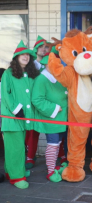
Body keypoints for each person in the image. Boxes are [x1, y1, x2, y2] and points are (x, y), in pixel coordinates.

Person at [1, 41, 39, 189]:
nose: (25, 57)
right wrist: (17, 110)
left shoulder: (30, 74)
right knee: (15, 148)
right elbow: (6, 95)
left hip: (23, 119)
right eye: (22, 54)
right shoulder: (8, 74)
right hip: (12, 118)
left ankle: (12, 171)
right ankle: (17, 177)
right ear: (16, 57)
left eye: (28, 55)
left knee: (16, 147)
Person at [31, 51, 68, 182]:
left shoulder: (58, 76)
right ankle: (51, 171)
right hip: (51, 118)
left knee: (57, 144)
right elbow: (37, 99)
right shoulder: (41, 79)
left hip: (62, 119)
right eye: (52, 63)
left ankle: (53, 167)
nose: (55, 65)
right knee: (52, 144)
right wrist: (55, 108)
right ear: (46, 64)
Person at [25, 35, 51, 169]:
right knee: (32, 131)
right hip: (33, 102)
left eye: (46, 47)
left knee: (52, 129)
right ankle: (30, 156)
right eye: (41, 47)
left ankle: (60, 156)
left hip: (47, 101)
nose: (43, 49)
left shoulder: (50, 63)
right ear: (35, 49)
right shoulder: (30, 65)